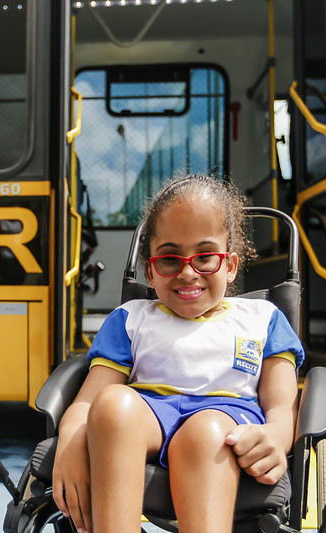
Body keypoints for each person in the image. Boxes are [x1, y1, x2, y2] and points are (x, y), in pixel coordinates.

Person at [52, 174, 304, 533]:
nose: (188, 272)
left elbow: (281, 405)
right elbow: (86, 402)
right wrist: (71, 443)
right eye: (170, 259)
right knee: (112, 403)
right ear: (151, 272)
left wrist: (276, 437)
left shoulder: (264, 319)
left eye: (206, 257)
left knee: (205, 432)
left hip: (227, 420)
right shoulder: (131, 319)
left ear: (230, 266)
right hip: (147, 416)